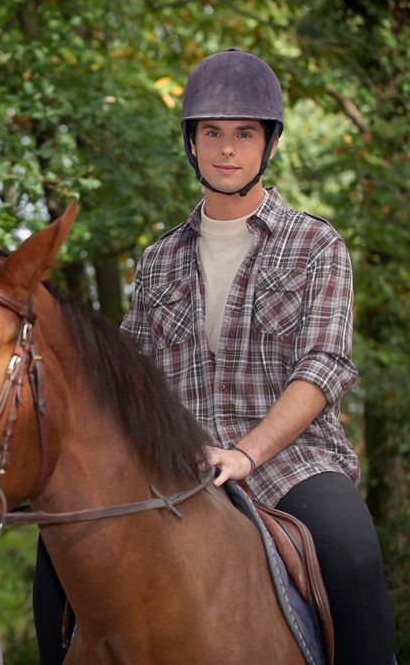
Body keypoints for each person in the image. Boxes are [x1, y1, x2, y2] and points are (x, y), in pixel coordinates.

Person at [117, 49, 395, 664]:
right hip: (177, 471)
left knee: (352, 555)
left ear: (268, 145)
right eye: (211, 133)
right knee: (61, 560)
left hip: (291, 464)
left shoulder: (315, 243)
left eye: (244, 134)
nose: (225, 149)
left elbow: (323, 366)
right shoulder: (159, 259)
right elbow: (128, 377)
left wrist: (246, 453)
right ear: (191, 143)